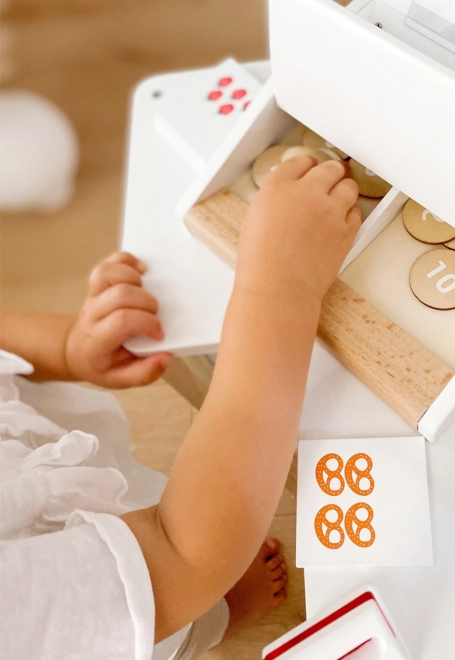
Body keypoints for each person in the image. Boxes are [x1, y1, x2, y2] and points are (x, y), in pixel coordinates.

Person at [0, 155, 361, 659]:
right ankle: (210, 620)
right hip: (142, 575)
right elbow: (182, 554)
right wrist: (283, 286)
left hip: (42, 478)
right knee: (163, 602)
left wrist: (68, 348)